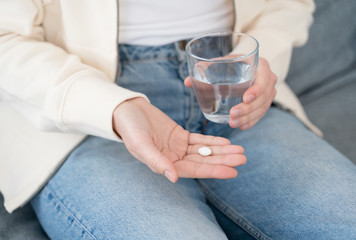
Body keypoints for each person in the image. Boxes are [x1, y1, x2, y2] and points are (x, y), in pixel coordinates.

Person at [0, 0, 355, 239]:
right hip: (84, 114)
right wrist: (113, 107)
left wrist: (262, 58)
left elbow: (287, 5)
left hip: (233, 92)